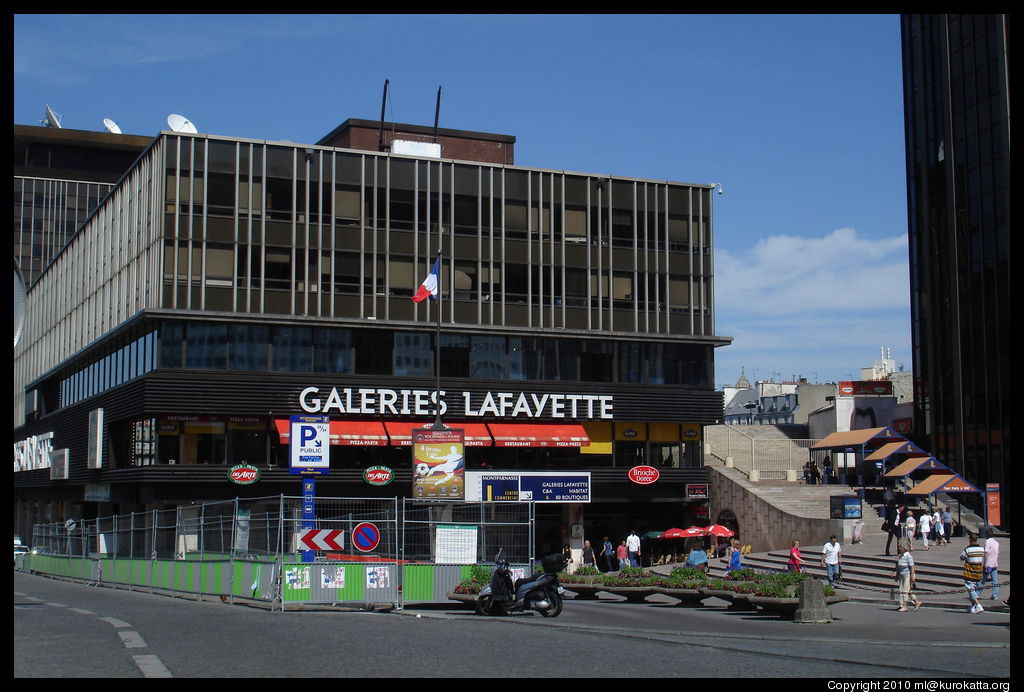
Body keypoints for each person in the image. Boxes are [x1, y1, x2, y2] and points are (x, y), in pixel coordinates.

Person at [960, 533, 986, 614]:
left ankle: (978, 606)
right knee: (974, 589)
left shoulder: (967, 549)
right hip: (978, 571)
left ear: (970, 539)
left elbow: (961, 558)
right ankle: (972, 607)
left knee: (970, 589)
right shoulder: (981, 548)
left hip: (970, 572)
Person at [894, 538, 922, 612]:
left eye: (900, 547)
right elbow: (898, 567)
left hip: (907, 575)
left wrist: (912, 577)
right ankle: (917, 602)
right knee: (907, 590)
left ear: (904, 548)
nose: (899, 549)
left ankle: (905, 606)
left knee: (905, 591)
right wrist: (897, 575)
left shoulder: (908, 556)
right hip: (901, 575)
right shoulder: (901, 555)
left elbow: (912, 567)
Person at [981, 527, 1000, 602]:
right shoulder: (996, 542)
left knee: (982, 580)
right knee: (995, 581)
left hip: (988, 564)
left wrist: (984, 563)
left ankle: (978, 594)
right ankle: (995, 595)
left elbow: (986, 553)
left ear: (986, 535)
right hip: (994, 564)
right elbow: (996, 553)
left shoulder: (987, 542)